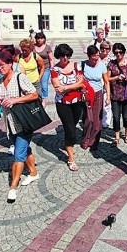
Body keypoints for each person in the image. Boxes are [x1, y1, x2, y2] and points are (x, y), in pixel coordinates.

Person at [0, 51, 40, 202]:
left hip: (24, 122)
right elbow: (1, 99)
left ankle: (13, 187)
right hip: (10, 124)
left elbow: (34, 95)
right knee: (24, 149)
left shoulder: (20, 77)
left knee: (18, 155)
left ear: (10, 64)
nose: (0, 68)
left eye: (2, 65)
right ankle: (33, 172)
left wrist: (15, 100)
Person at [51, 43, 90, 171]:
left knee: (72, 126)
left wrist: (67, 87)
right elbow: (57, 88)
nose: (65, 58)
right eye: (62, 55)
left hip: (77, 102)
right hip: (63, 104)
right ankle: (71, 159)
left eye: (67, 55)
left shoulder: (76, 65)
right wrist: (75, 85)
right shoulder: (54, 70)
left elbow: (81, 82)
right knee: (70, 130)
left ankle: (69, 145)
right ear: (58, 56)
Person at [80, 45, 109, 150]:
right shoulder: (83, 65)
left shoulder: (101, 65)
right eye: (94, 56)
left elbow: (106, 82)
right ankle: (85, 139)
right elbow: (78, 78)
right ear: (89, 56)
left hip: (98, 94)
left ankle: (93, 140)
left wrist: (108, 97)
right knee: (89, 119)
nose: (96, 58)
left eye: (97, 55)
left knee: (97, 122)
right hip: (87, 94)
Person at [107, 43, 127, 146]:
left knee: (126, 116)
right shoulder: (111, 64)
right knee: (116, 116)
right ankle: (117, 136)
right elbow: (107, 79)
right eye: (116, 52)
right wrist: (116, 77)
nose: (118, 54)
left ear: (124, 52)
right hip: (115, 94)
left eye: (120, 52)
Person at [33, 32, 55, 103]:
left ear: (44, 39)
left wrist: (52, 69)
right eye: (38, 38)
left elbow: (51, 59)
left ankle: (44, 99)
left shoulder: (47, 47)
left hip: (46, 68)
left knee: (44, 84)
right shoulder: (33, 46)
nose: (39, 40)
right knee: (35, 83)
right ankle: (37, 96)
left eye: (41, 38)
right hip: (35, 69)